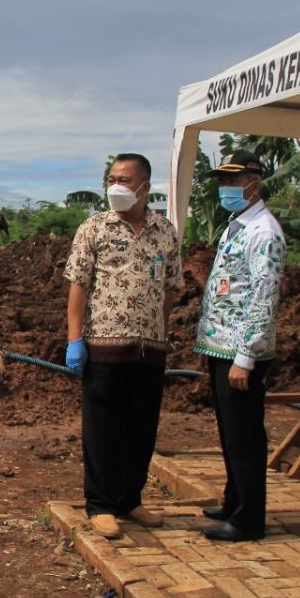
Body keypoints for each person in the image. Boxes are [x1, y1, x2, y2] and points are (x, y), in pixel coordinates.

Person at [65, 153, 182, 539]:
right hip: (103, 343)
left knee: (141, 426)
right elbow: (78, 286)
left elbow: (170, 289)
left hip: (148, 347)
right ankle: (100, 505)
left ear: (145, 186)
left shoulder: (165, 232)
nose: (116, 186)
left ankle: (130, 499)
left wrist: (159, 330)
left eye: (125, 180)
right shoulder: (94, 228)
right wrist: (75, 339)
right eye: (112, 178)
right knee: (102, 427)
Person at [194, 149, 286, 542]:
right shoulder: (237, 226)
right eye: (222, 181)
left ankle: (248, 519)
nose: (225, 188)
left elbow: (264, 297)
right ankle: (234, 502)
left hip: (240, 353)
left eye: (233, 181)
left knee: (245, 438)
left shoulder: (264, 231)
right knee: (230, 435)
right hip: (222, 348)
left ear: (255, 182)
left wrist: (244, 359)